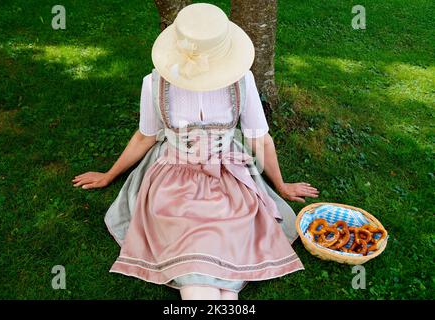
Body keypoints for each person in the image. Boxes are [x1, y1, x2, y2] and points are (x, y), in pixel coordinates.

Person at [72, 3, 319, 300]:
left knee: (225, 266)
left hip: (228, 176)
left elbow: (260, 139)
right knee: (196, 272)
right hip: (174, 180)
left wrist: (279, 185)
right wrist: (109, 174)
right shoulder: (154, 83)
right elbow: (144, 137)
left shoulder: (241, 81)